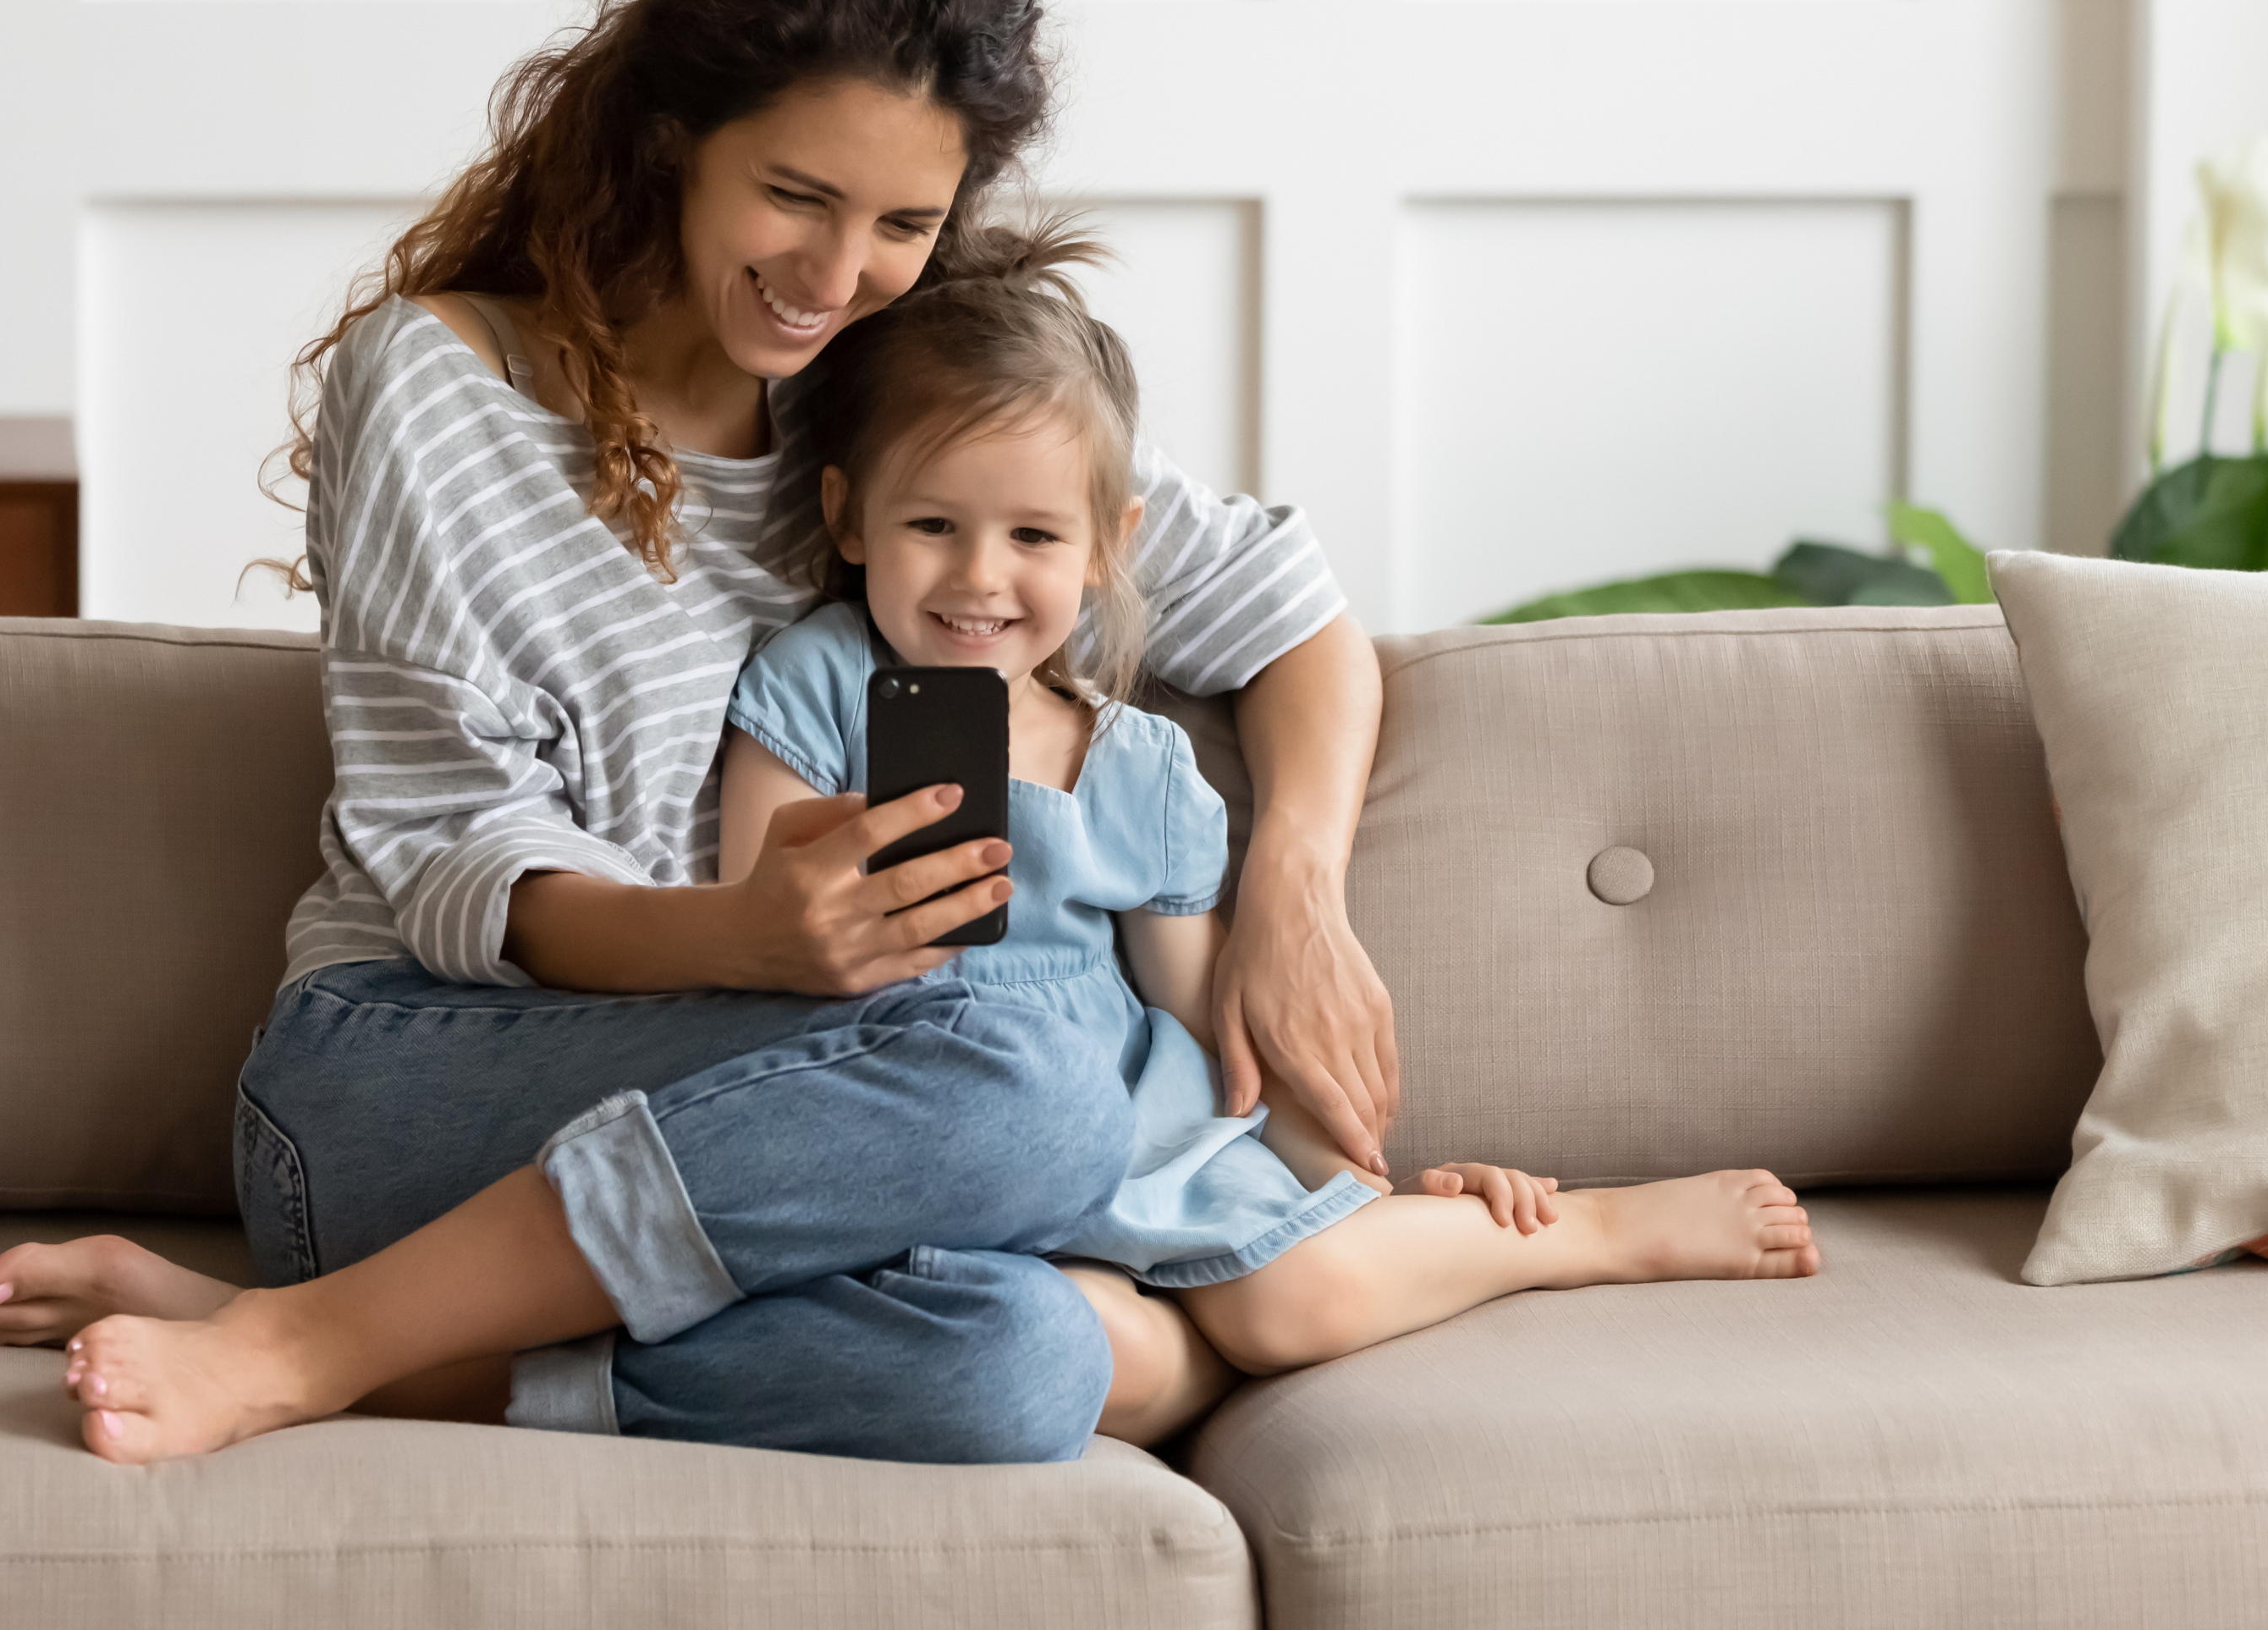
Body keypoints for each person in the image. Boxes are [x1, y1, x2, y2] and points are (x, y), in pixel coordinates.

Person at [0, 0, 1392, 1465]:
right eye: (795, 197)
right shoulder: (440, 387)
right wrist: (740, 935)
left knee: (1022, 1370)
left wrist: (1294, 891)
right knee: (1036, 1078)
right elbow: (449, 859)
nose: (838, 277)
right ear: (671, 140)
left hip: (783, 1111)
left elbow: (1293, 613)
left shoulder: (886, 410)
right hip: (408, 1076)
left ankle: (359, 1340)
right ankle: (310, 1334)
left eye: (904, 223)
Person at [713, 224, 1824, 1442]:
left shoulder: (1138, 766)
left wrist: (1340, 1184)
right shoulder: (816, 686)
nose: (981, 577)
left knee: (1294, 1300)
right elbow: (751, 931)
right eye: (934, 526)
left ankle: (1576, 1235)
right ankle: (1204, 1337)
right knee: (1054, 1338)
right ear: (851, 517)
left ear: (1108, 548)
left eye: (1033, 537)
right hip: (919, 1121)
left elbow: (1204, 1032)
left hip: (1131, 1128)